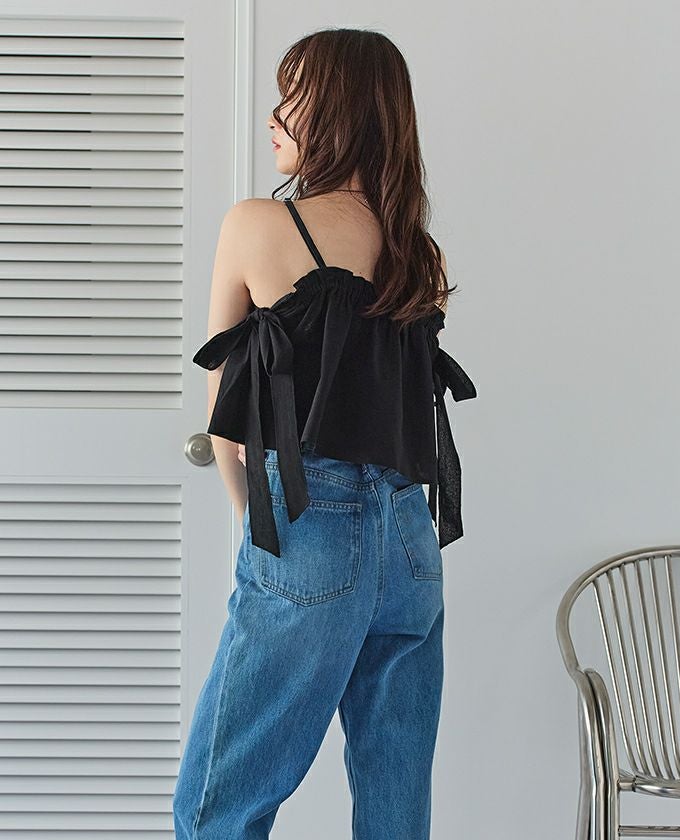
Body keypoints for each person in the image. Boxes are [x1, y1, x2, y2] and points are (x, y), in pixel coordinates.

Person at [173, 27, 477, 840]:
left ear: (341, 110)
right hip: (409, 539)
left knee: (216, 806)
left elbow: (225, 420)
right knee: (394, 807)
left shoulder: (256, 225)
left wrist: (259, 525)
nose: (275, 115)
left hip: (308, 521)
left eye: (295, 95)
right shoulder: (418, 251)